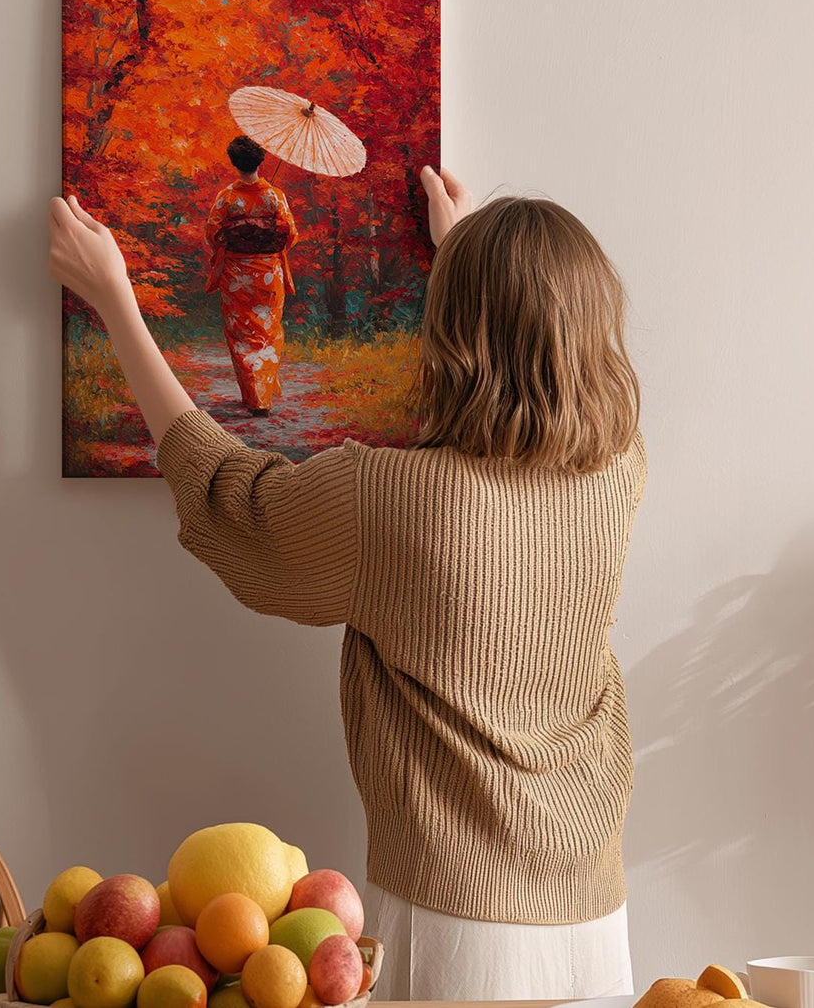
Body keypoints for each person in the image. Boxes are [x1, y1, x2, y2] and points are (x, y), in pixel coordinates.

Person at [47, 165, 645, 1001]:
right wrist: (462, 254)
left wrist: (115, 300)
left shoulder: (387, 500)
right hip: (594, 909)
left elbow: (230, 496)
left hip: (454, 917)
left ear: (452, 329)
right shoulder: (617, 472)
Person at [202, 135, 299, 416]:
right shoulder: (275, 195)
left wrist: (239, 234)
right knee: (267, 331)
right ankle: (263, 391)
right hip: (269, 272)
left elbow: (213, 235)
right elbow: (290, 235)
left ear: (234, 162)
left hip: (236, 273)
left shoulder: (227, 197)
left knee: (242, 333)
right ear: (261, 160)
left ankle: (254, 395)